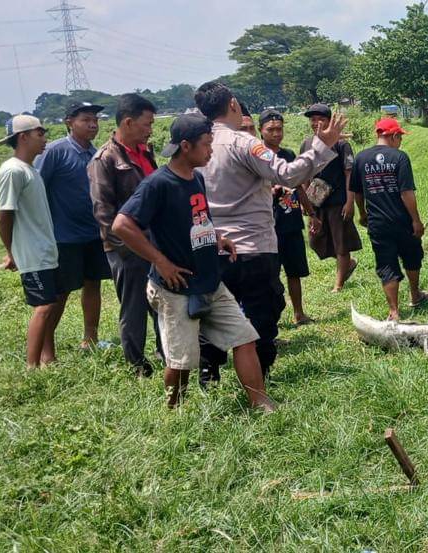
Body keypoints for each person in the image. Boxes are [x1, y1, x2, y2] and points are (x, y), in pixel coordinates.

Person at [111, 114, 275, 411]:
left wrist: (217, 236)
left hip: (209, 280)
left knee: (245, 338)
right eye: (206, 144)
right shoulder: (158, 184)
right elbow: (121, 225)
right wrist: (161, 261)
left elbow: (198, 218)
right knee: (181, 360)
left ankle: (260, 402)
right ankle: (174, 411)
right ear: (185, 146)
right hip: (176, 286)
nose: (211, 151)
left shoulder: (196, 178)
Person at [191, 81, 344, 386]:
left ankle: (209, 376)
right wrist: (321, 146)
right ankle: (257, 380)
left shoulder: (197, 145)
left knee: (214, 314)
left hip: (210, 245)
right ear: (233, 104)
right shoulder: (242, 143)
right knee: (262, 313)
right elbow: (287, 174)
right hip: (253, 246)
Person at [89, 93, 163, 377]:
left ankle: (166, 353)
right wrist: (128, 248)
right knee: (134, 307)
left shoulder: (145, 151)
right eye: (147, 123)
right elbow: (103, 212)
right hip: (126, 248)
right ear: (128, 122)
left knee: (161, 301)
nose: (151, 129)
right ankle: (137, 364)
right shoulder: (105, 159)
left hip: (153, 242)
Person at [35, 101, 111, 350]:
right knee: (61, 291)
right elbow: (37, 190)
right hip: (63, 235)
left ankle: (90, 339)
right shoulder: (55, 152)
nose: (93, 125)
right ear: (69, 122)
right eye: (86, 120)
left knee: (93, 283)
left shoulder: (95, 153)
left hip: (93, 232)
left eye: (95, 120)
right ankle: (47, 348)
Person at [0, 115, 62, 367]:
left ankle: (48, 359)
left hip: (44, 249)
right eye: (40, 134)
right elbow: (4, 216)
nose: (45, 139)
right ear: (23, 137)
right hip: (32, 252)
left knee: (49, 304)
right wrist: (12, 252)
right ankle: (31, 369)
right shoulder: (13, 170)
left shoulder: (30, 169)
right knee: (43, 307)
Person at [349, 118, 428, 321]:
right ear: (394, 136)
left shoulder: (361, 158)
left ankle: (394, 311)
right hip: (402, 221)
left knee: (386, 264)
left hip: (378, 223)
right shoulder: (400, 157)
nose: (400, 142)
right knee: (412, 256)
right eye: (400, 137)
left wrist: (363, 214)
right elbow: (406, 192)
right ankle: (415, 295)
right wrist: (416, 220)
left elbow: (358, 193)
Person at [260, 109, 316, 325]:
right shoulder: (256, 156)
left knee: (294, 271)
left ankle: (299, 313)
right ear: (261, 131)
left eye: (279, 129)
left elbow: (299, 186)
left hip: (291, 222)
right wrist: (272, 190)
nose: (276, 133)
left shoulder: (288, 155)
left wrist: (311, 213)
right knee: (270, 276)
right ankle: (271, 320)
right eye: (271, 130)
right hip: (267, 226)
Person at [301, 103, 361, 292]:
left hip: (338, 201)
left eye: (321, 119)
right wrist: (306, 201)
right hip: (317, 201)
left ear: (330, 122)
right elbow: (303, 174)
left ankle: (338, 284)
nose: (316, 123)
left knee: (341, 243)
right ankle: (348, 263)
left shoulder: (342, 144)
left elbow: (349, 173)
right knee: (316, 241)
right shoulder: (307, 144)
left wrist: (350, 202)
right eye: (313, 119)